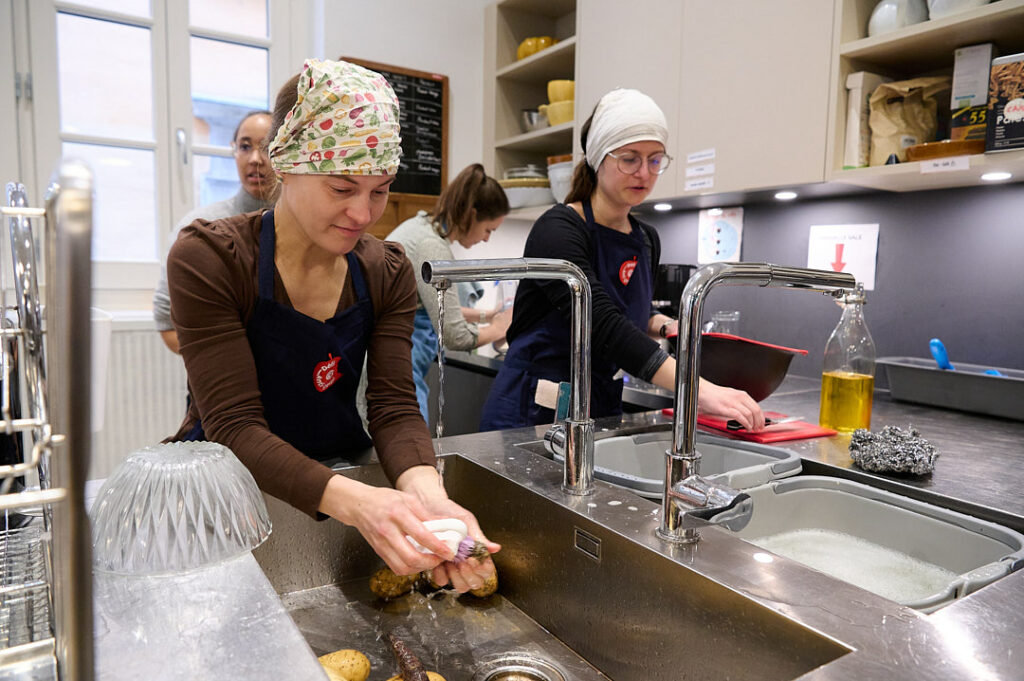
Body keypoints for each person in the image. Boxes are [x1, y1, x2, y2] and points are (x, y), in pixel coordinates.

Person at [166, 59, 498, 591]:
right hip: (226, 494)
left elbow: (391, 407)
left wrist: (429, 498)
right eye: (342, 188)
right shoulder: (211, 258)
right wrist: (360, 503)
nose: (364, 214)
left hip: (336, 475)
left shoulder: (386, 271)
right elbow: (234, 426)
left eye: (380, 190)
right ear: (286, 163)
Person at [479, 88, 765, 431]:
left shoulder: (645, 238)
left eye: (655, 159)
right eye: (630, 159)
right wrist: (696, 389)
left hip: (598, 404)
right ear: (600, 158)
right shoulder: (557, 230)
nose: (644, 173)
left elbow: (630, 308)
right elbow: (600, 322)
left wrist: (665, 325)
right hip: (534, 409)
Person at [386, 163, 513, 421]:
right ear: (471, 214)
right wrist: (500, 328)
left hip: (391, 370)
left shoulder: (420, 226)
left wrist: (484, 315)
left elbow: (425, 304)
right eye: (488, 229)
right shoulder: (432, 247)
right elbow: (454, 336)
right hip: (396, 376)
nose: (487, 239)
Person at [153, 110, 279, 353]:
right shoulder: (202, 228)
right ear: (233, 151)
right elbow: (167, 323)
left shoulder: (307, 228)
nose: (255, 159)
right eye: (244, 146)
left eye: (267, 147)